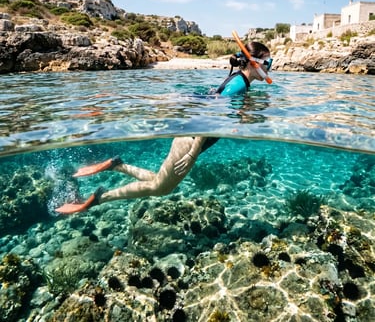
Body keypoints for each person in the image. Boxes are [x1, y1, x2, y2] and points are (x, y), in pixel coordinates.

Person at [55, 41, 272, 214]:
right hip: (192, 141)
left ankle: (116, 165)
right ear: (254, 63)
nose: (270, 67)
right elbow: (209, 117)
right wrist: (193, 154)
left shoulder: (240, 82)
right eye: (267, 62)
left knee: (160, 180)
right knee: (160, 189)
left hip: (192, 138)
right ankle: (99, 199)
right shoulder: (238, 85)